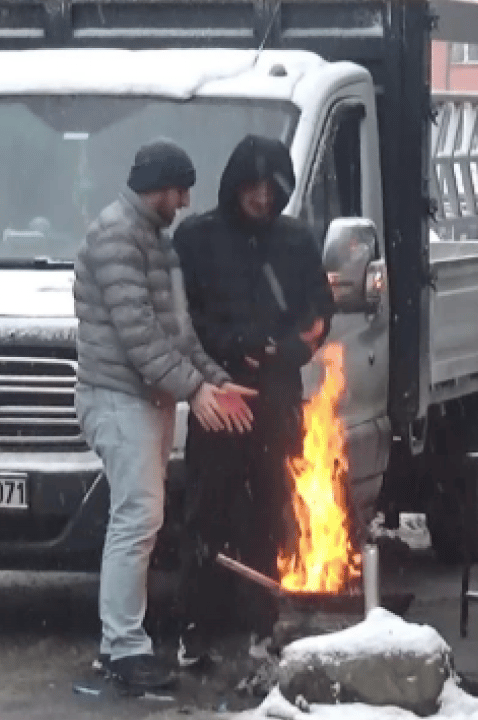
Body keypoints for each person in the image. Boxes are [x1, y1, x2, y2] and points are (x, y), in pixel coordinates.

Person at [73, 138, 257, 691]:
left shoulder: (153, 241)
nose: (185, 202)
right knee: (137, 518)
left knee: (142, 520)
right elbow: (139, 337)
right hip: (118, 398)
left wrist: (216, 382)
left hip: (144, 400)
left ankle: (123, 645)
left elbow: (178, 334)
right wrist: (194, 389)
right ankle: (122, 650)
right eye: (180, 190)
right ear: (160, 185)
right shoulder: (115, 237)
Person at [172, 135, 336, 667]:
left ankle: (262, 621)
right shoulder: (197, 239)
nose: (263, 199)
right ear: (234, 185)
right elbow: (182, 315)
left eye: (273, 190)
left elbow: (318, 312)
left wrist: (293, 348)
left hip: (277, 394)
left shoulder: (296, 241)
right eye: (254, 189)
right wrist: (227, 346)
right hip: (220, 394)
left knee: (272, 507)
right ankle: (197, 624)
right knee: (207, 509)